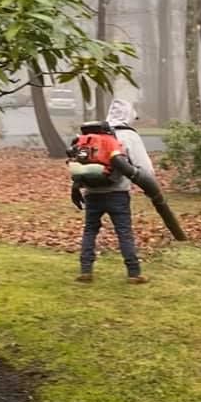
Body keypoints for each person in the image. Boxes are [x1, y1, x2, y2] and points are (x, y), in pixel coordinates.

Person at [72, 99, 154, 285]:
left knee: (90, 230)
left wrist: (77, 186)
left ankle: (86, 270)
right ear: (128, 115)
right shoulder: (129, 136)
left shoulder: (93, 134)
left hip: (92, 192)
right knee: (124, 232)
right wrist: (150, 188)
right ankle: (134, 273)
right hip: (118, 192)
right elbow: (145, 169)